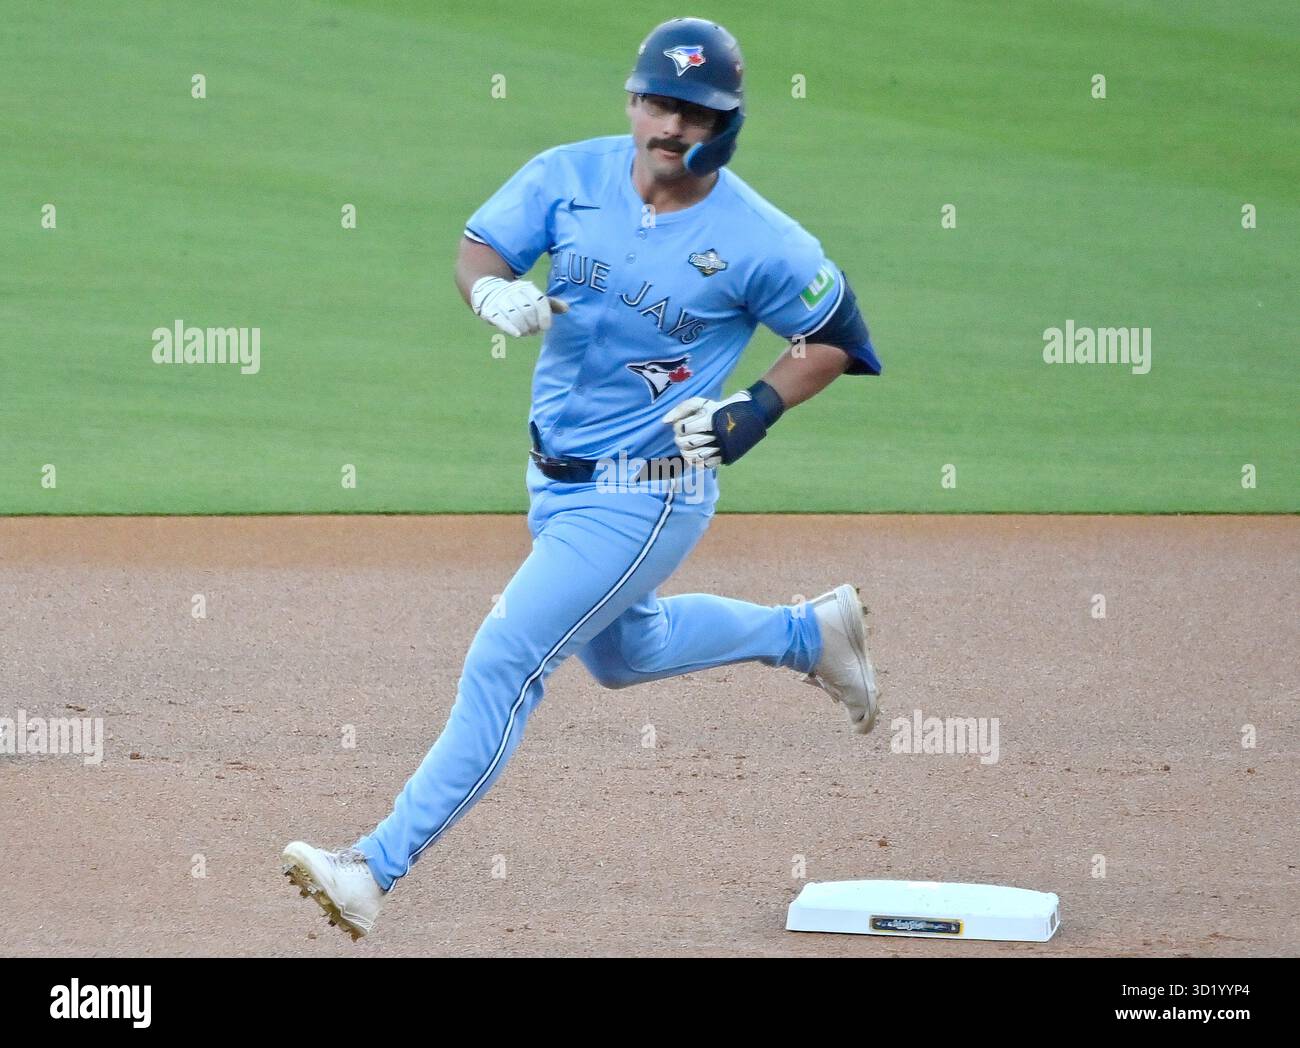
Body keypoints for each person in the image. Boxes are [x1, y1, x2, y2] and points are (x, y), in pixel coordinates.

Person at [282, 16, 883, 941]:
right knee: (622, 652)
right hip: (555, 479)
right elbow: (479, 246)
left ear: (727, 122)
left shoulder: (760, 239)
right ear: (633, 100)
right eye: (659, 102)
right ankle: (809, 633)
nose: (672, 126)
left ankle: (373, 867)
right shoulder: (568, 176)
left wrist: (754, 408)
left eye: (695, 111)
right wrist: (492, 292)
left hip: (648, 492)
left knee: (505, 660)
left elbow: (839, 336)